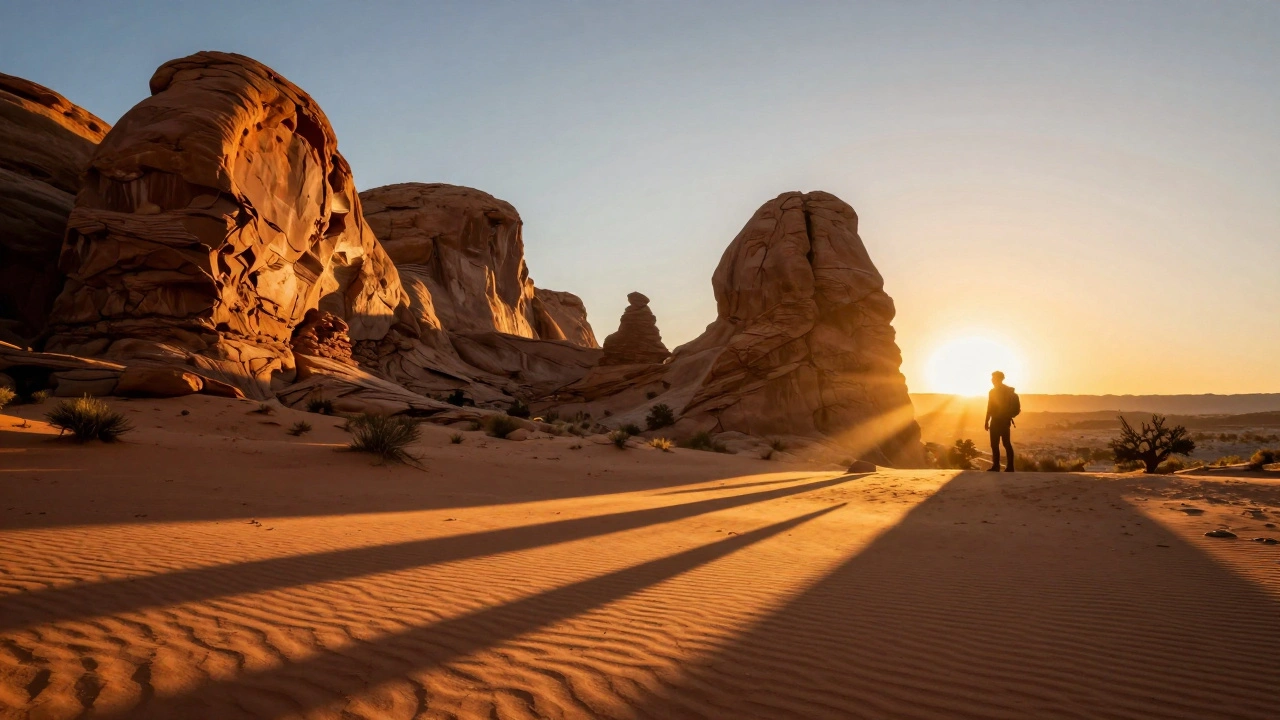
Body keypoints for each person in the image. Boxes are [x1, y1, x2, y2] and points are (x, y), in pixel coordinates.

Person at [984, 370, 1019, 472]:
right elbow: (990, 407)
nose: (992, 380)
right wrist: (986, 421)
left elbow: (989, 408)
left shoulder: (997, 392)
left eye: (993, 378)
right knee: (1003, 444)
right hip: (1001, 420)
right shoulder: (1003, 391)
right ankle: (1006, 467)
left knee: (1001, 444)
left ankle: (1000, 466)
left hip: (999, 420)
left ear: (999, 379)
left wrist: (986, 421)